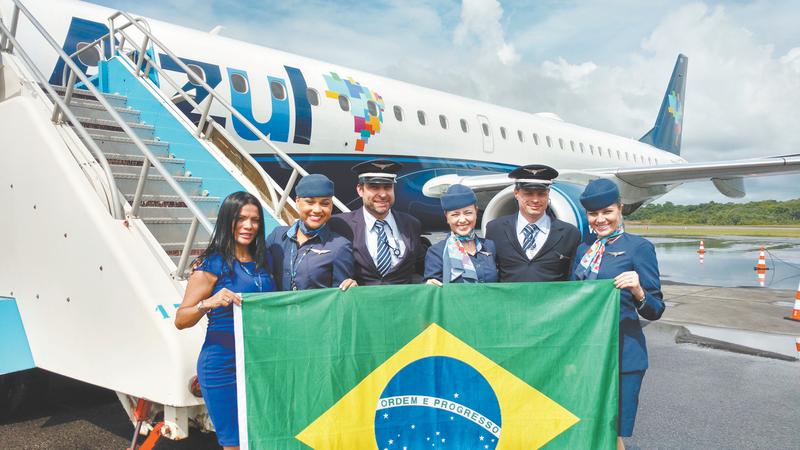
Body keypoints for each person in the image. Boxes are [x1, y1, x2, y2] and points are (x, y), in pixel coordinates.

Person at [173, 191, 274, 450]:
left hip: (259, 364)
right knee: (235, 444)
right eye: (241, 219)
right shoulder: (211, 265)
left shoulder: (264, 260)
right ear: (227, 221)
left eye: (255, 220)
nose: (249, 226)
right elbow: (181, 319)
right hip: (223, 366)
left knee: (263, 439)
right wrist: (208, 302)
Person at [570, 178, 665, 449]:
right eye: (593, 213)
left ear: (620, 208)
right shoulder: (583, 249)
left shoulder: (639, 247)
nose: (600, 219)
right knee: (588, 427)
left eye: (607, 212)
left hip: (623, 354)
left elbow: (656, 309)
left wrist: (638, 291)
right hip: (587, 355)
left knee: (612, 433)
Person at [328, 159, 425, 285]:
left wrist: (430, 279)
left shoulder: (411, 224)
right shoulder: (340, 224)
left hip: (402, 297)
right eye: (374, 187)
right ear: (360, 190)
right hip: (359, 297)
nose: (383, 194)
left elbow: (421, 266)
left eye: (388, 187)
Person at [484, 164, 581, 282]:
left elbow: (573, 279)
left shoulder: (570, 233)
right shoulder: (495, 229)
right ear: (516, 193)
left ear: (548, 193)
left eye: (541, 194)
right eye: (529, 193)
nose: (535, 200)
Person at [265, 174, 357, 291]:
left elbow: (340, 295)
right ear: (297, 201)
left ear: (331, 205)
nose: (317, 210)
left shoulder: (340, 247)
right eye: (310, 202)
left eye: (325, 203)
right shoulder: (277, 236)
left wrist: (351, 288)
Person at [424, 184, 498, 285]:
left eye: (468, 213)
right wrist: (429, 284)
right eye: (455, 214)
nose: (462, 220)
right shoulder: (437, 252)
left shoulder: (489, 246)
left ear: (476, 212)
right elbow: (433, 286)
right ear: (447, 217)